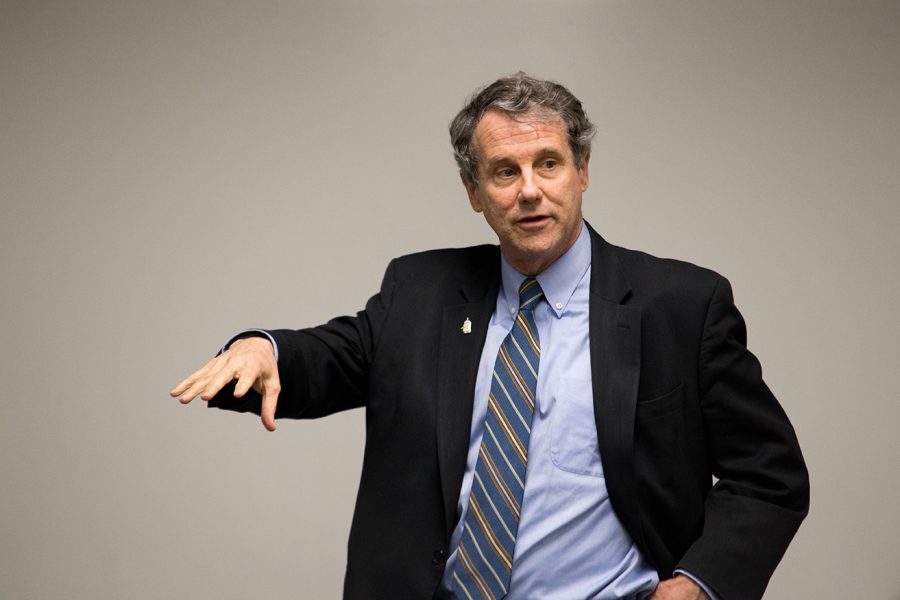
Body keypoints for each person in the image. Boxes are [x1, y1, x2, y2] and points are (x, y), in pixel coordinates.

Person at [171, 73, 809, 600]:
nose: (530, 190)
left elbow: (770, 474)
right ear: (473, 191)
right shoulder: (420, 292)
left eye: (549, 164)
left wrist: (698, 585)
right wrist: (263, 348)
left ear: (583, 170)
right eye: (504, 171)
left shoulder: (681, 305)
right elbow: (334, 354)